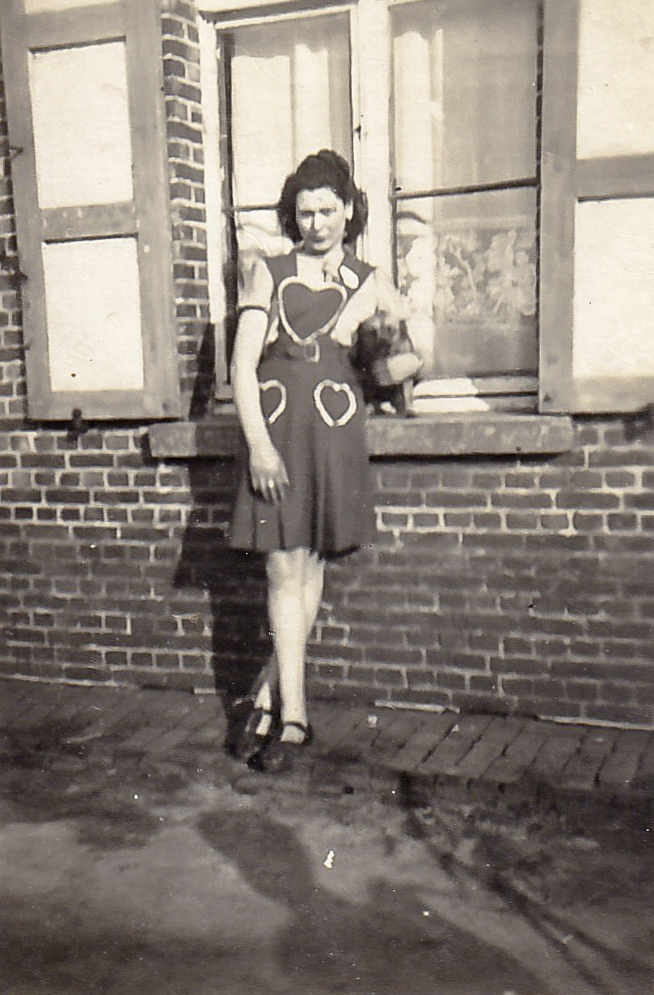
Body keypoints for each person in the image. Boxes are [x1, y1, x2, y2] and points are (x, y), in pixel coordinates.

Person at [228, 150, 420, 772]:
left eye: (328, 211)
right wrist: (259, 445)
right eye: (305, 212)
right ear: (293, 214)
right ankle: (294, 717)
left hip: (334, 431)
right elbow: (241, 366)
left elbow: (408, 357)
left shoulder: (369, 278)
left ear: (348, 212)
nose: (316, 223)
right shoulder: (269, 272)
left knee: (308, 566)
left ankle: (269, 698)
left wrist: (380, 339)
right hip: (279, 430)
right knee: (283, 568)